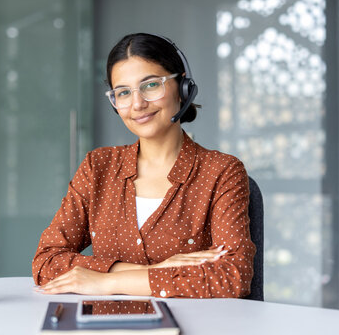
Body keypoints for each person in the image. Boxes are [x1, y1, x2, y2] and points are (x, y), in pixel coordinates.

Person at [32, 33, 255, 298]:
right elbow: (46, 261)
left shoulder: (222, 171)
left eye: (150, 86)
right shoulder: (97, 167)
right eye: (123, 92)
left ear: (183, 88)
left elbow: (233, 277)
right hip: (108, 324)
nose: (137, 104)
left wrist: (106, 282)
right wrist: (155, 271)